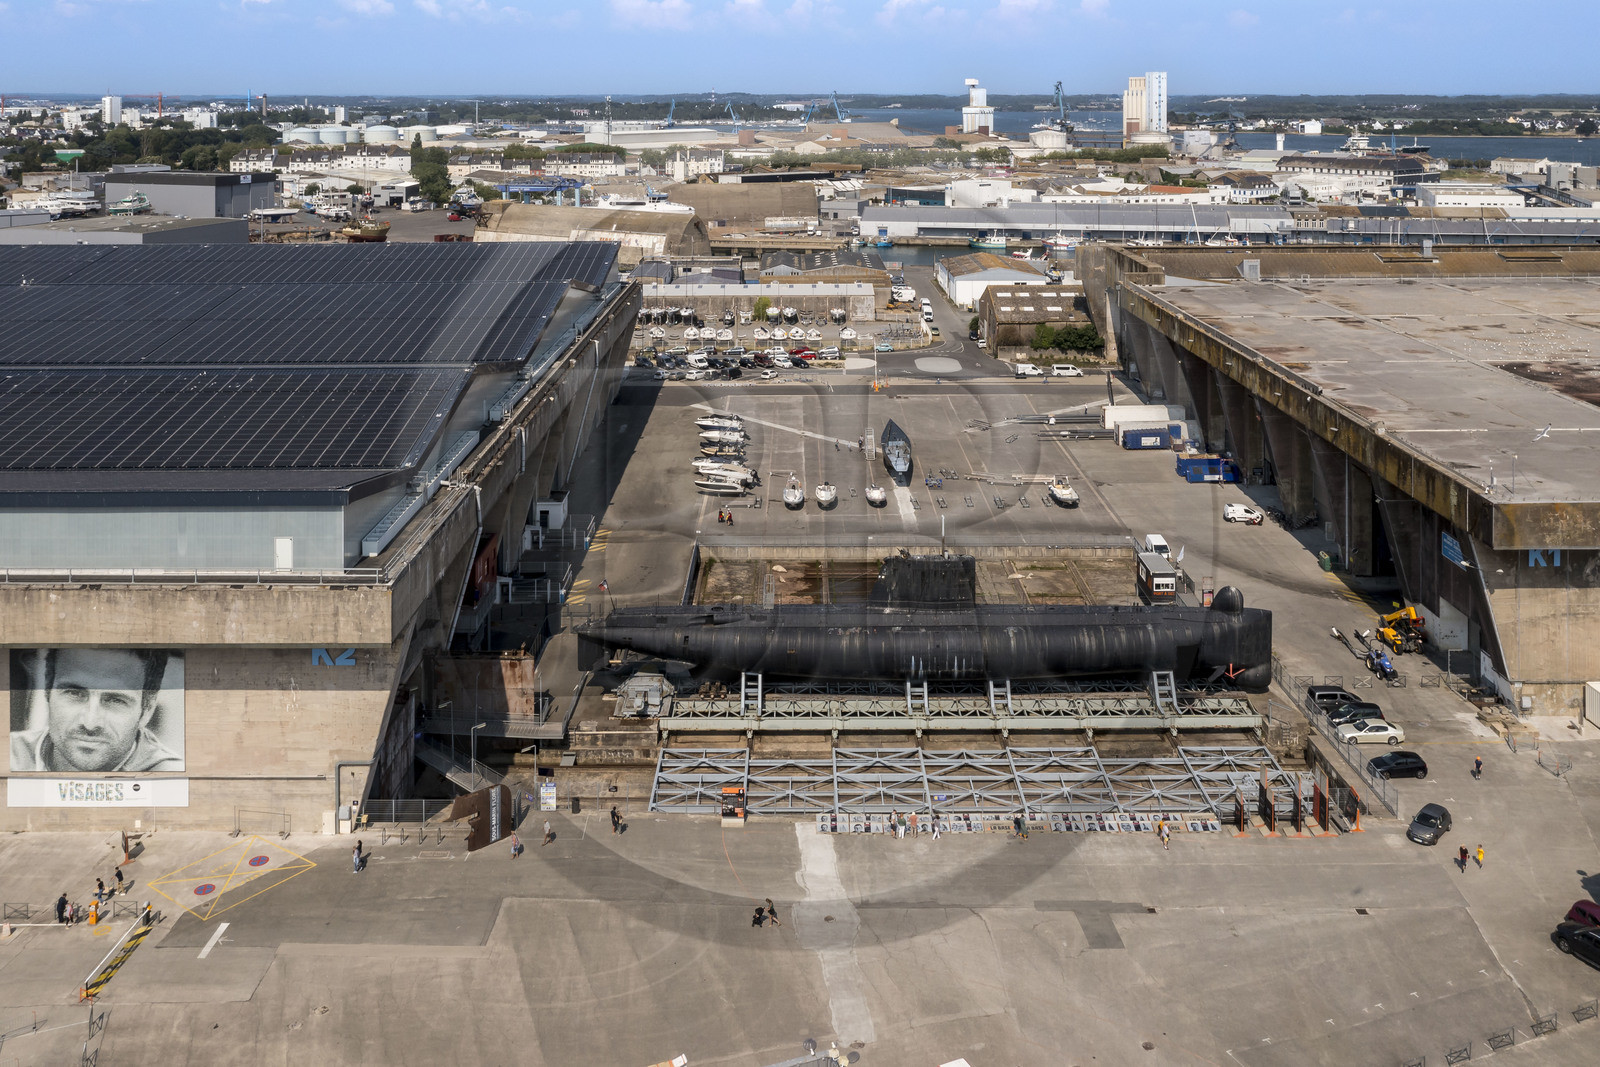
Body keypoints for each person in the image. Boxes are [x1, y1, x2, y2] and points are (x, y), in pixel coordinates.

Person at [10, 648, 182, 773]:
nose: (90, 723)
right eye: (74, 693)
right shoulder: (9, 758)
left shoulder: (174, 782)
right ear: (47, 693)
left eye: (115, 700)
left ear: (147, 710)